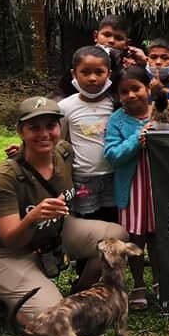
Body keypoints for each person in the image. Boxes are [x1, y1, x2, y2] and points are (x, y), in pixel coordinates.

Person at [0, 97, 129, 327]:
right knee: (56, 319)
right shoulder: (4, 178)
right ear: (20, 131)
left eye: (50, 126)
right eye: (34, 128)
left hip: (53, 233)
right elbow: (11, 239)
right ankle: (4, 302)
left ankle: (79, 294)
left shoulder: (64, 153)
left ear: (60, 128)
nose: (44, 133)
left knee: (115, 239)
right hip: (8, 252)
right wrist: (32, 216)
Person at [103, 66, 159, 310]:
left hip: (159, 187)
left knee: (158, 237)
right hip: (133, 189)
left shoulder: (163, 113)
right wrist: (138, 138)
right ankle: (138, 284)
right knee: (136, 238)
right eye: (124, 91)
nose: (131, 95)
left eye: (136, 88)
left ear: (148, 88)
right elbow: (112, 155)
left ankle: (159, 281)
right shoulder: (116, 120)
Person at [58, 46, 119, 224]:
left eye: (99, 72)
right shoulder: (65, 106)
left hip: (114, 174)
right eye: (85, 72)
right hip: (82, 177)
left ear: (109, 74)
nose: (92, 78)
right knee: (87, 221)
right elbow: (59, 142)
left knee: (113, 220)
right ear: (74, 74)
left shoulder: (116, 104)